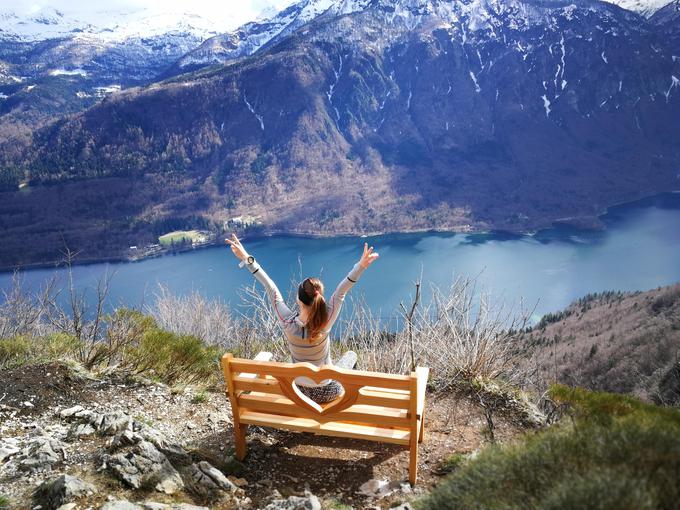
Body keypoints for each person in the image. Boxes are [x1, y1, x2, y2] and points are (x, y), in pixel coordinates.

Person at [225, 234, 379, 404]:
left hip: (296, 391)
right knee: (350, 355)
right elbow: (342, 290)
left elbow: (270, 286)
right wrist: (360, 266)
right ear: (319, 297)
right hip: (328, 392)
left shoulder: (287, 322)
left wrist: (247, 258)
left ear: (299, 299)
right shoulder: (325, 322)